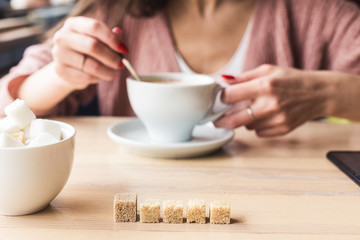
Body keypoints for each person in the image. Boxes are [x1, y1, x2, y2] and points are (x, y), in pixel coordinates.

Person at [0, 0, 359, 137]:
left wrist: (326, 94)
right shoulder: (117, 12)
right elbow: (6, 103)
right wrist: (61, 74)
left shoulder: (320, 14)